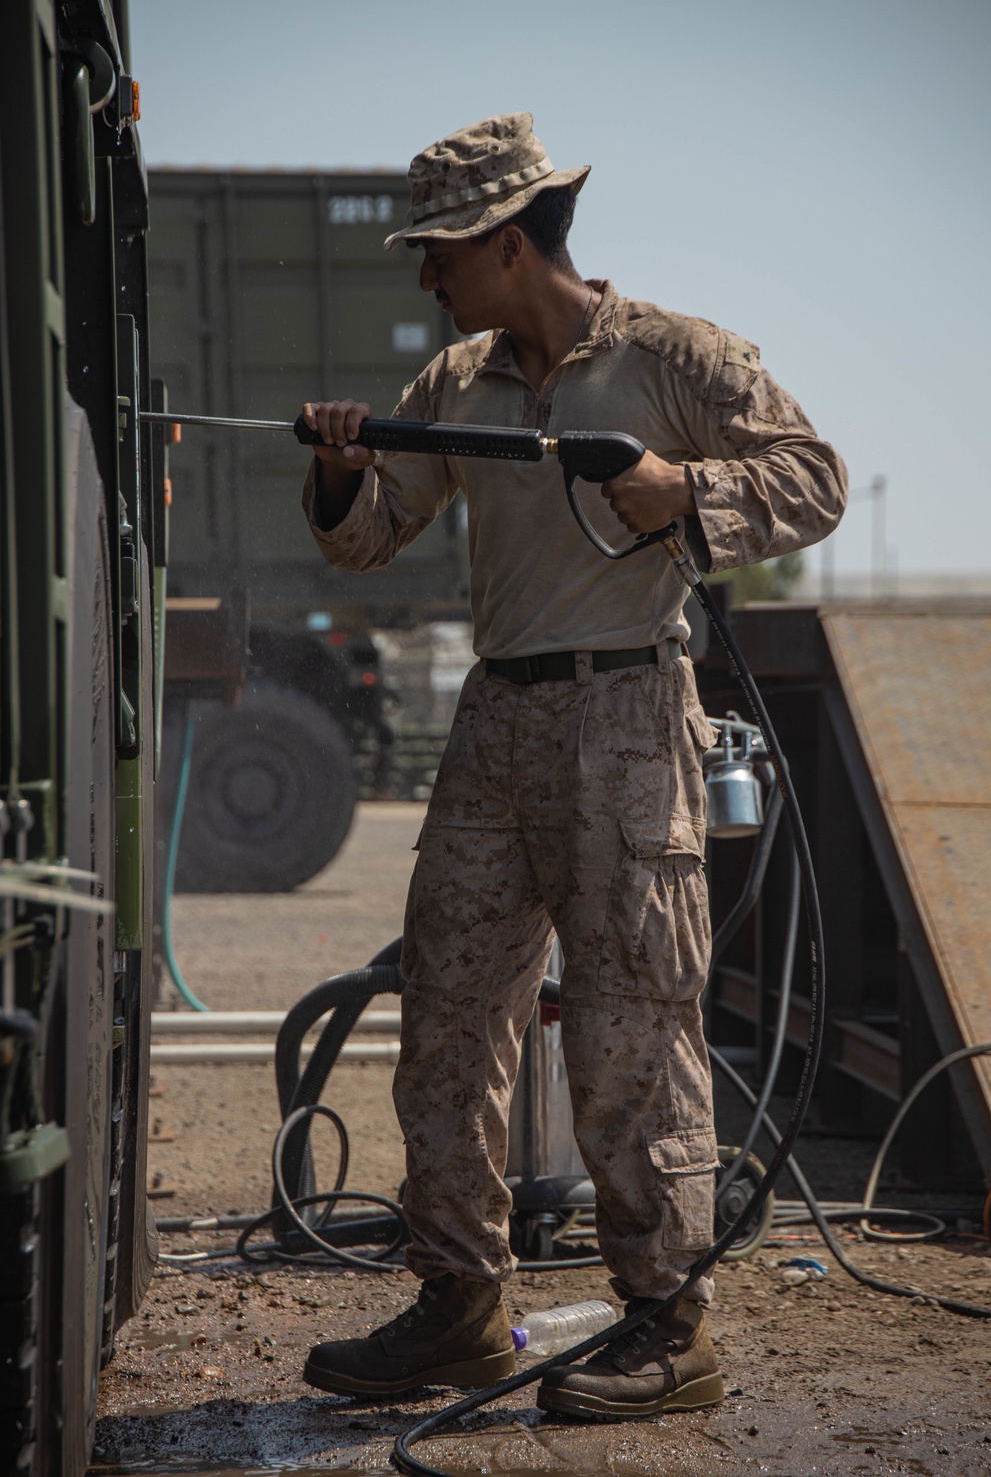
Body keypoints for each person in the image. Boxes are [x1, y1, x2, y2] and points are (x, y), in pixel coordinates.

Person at [297, 113, 847, 1420]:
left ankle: (667, 1326)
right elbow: (370, 540)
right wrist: (337, 474)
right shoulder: (454, 386)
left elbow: (813, 479)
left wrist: (685, 497)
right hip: (501, 721)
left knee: (629, 1032)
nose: (425, 277)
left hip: (628, 715)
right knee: (445, 1020)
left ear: (504, 240)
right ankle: (459, 1307)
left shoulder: (670, 358)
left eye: (440, 252)